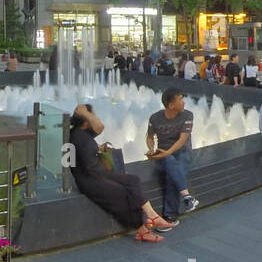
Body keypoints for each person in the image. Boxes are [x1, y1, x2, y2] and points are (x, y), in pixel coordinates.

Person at [68, 103, 174, 242]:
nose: (96, 117)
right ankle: (141, 230)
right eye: (93, 115)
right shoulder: (78, 137)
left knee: (133, 180)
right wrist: (86, 113)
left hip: (98, 174)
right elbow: (90, 170)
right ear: (85, 121)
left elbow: (100, 127)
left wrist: (85, 114)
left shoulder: (83, 131)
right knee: (121, 191)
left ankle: (152, 215)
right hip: (89, 180)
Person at [147, 88, 198, 220]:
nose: (183, 102)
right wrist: (151, 150)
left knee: (171, 175)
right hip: (163, 153)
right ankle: (187, 197)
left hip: (182, 152)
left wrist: (167, 153)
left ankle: (170, 216)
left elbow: (182, 140)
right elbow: (150, 137)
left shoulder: (188, 115)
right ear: (171, 105)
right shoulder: (155, 118)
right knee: (170, 163)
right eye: (180, 99)